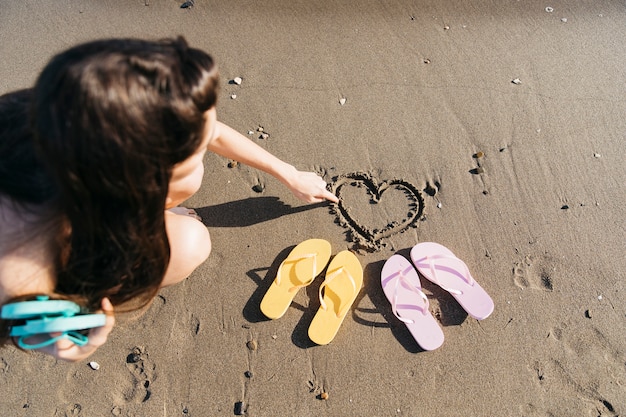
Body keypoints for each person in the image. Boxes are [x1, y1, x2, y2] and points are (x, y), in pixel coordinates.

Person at [0, 37, 337, 361]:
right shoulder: (21, 271)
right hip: (79, 255)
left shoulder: (64, 114)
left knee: (189, 188)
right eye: (195, 149)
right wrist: (42, 333)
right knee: (192, 242)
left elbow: (212, 130)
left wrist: (288, 173)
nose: (209, 139)